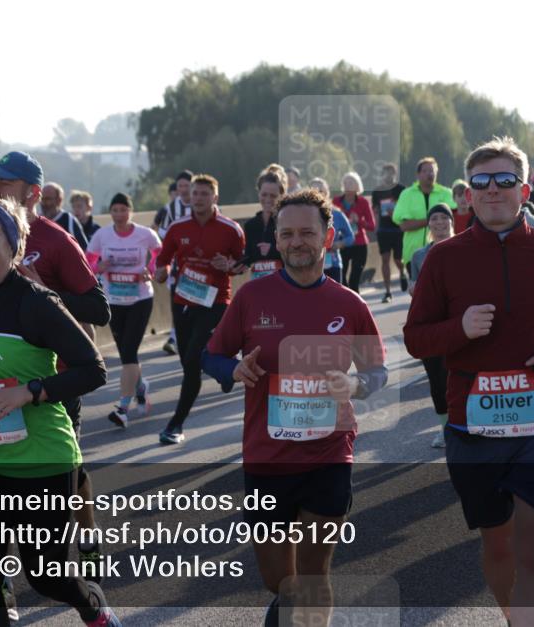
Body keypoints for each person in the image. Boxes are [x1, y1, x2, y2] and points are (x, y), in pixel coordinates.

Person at [404, 137, 534, 626]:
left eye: (505, 180)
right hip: (473, 425)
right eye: (481, 182)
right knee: (498, 544)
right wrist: (458, 329)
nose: (493, 190)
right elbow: (415, 338)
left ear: (524, 192)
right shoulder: (442, 260)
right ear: (468, 194)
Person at [0, 197, 119, 627]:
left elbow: (94, 370)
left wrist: (30, 392)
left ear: (13, 244)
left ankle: (94, 607)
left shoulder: (36, 302)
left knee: (46, 577)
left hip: (41, 459)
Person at [201, 188, 386, 627]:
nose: (296, 241)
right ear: (277, 239)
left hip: (329, 453)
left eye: (307, 232)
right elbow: (211, 354)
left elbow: (378, 373)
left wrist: (356, 385)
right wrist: (232, 371)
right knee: (279, 579)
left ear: (327, 237)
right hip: (267, 457)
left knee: (314, 573)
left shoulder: (349, 304)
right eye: (287, 233)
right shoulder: (251, 298)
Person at [0, 151, 111, 582]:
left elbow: (99, 307)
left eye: (5, 183)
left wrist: (42, 293)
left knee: (68, 468)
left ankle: (85, 536)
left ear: (32, 193)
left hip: (56, 375)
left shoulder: (54, 240)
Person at [154, 174, 245, 444]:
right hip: (183, 302)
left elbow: (242, 264)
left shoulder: (231, 229)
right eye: (195, 194)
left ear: (215, 198)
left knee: (193, 358)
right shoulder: (177, 227)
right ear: (188, 197)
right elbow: (163, 261)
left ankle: (175, 424)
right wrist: (161, 271)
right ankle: (223, 371)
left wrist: (227, 266)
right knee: (188, 364)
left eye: (205, 194)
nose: (199, 199)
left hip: (215, 303)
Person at [87, 193, 162, 428]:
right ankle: (140, 387)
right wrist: (100, 267)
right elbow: (88, 262)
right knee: (127, 354)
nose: (119, 215)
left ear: (131, 211)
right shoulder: (102, 235)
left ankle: (122, 408)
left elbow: (161, 253)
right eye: (115, 210)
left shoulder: (144, 234)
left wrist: (150, 269)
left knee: (129, 352)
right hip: (114, 300)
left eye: (123, 210)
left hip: (141, 299)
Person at [407, 203, 455, 448]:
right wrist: (413, 289)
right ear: (429, 224)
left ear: (451, 221)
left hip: (458, 324)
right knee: (436, 379)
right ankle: (445, 427)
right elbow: (414, 285)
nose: (439, 222)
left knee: (456, 376)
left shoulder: (464, 249)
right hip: (430, 325)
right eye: (434, 218)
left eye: (444, 218)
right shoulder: (419, 256)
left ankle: (462, 425)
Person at [392, 157, 456, 280]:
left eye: (432, 171)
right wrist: (431, 221)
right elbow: (404, 225)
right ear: (418, 174)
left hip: (446, 251)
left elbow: (456, 217)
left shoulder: (447, 193)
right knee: (420, 292)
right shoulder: (407, 194)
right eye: (425, 171)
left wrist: (419, 222)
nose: (430, 174)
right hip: (414, 255)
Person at [156, 170, 194, 356]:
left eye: (187, 185)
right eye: (180, 186)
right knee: (178, 301)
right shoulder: (171, 208)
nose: (184, 189)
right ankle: (176, 337)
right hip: (178, 264)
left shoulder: (201, 204)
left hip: (200, 264)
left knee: (200, 302)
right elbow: (163, 233)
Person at [333, 172, 376, 293]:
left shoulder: (363, 202)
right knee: (342, 280)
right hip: (342, 244)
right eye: (345, 182)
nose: (347, 185)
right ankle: (346, 304)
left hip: (360, 244)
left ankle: (356, 308)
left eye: (351, 182)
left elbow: (372, 226)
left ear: (357, 185)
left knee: (354, 280)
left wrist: (359, 221)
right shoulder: (336, 201)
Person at [371, 163, 408, 302]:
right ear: (382, 174)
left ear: (395, 174)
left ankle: (402, 273)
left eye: (391, 172)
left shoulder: (401, 189)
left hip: (398, 228)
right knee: (385, 259)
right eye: (386, 172)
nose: (389, 175)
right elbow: (375, 210)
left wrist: (397, 210)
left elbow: (406, 208)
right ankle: (387, 292)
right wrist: (376, 227)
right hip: (384, 229)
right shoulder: (377, 191)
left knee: (398, 259)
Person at [307, 178, 354, 284]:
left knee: (335, 299)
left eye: (321, 191)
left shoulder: (337, 214)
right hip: (311, 265)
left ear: (327, 193)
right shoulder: (303, 216)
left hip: (333, 264)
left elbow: (350, 237)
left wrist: (339, 244)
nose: (317, 194)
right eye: (314, 191)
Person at [243, 165, 286, 280]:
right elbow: (248, 258)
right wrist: (233, 264)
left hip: (283, 286)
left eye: (273, 196)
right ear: (258, 194)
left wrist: (272, 249)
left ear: (282, 196)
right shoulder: (250, 225)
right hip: (258, 286)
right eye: (264, 194)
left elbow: (295, 254)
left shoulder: (288, 224)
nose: (268, 199)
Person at [41, 182, 89, 250]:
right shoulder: (37, 220)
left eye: (48, 199)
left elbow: (84, 250)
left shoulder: (69, 221)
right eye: (42, 199)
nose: (44, 203)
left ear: (59, 200)